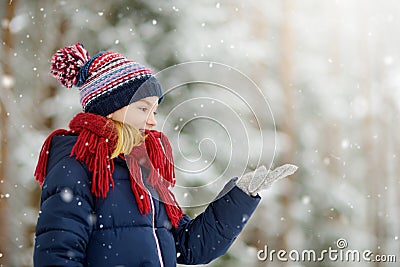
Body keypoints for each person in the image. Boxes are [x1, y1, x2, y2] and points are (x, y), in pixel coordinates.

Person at [33, 43, 298, 267]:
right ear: (111, 108)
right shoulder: (76, 165)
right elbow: (58, 255)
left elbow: (188, 246)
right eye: (142, 108)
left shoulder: (143, 170)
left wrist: (240, 196)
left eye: (155, 111)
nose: (152, 122)